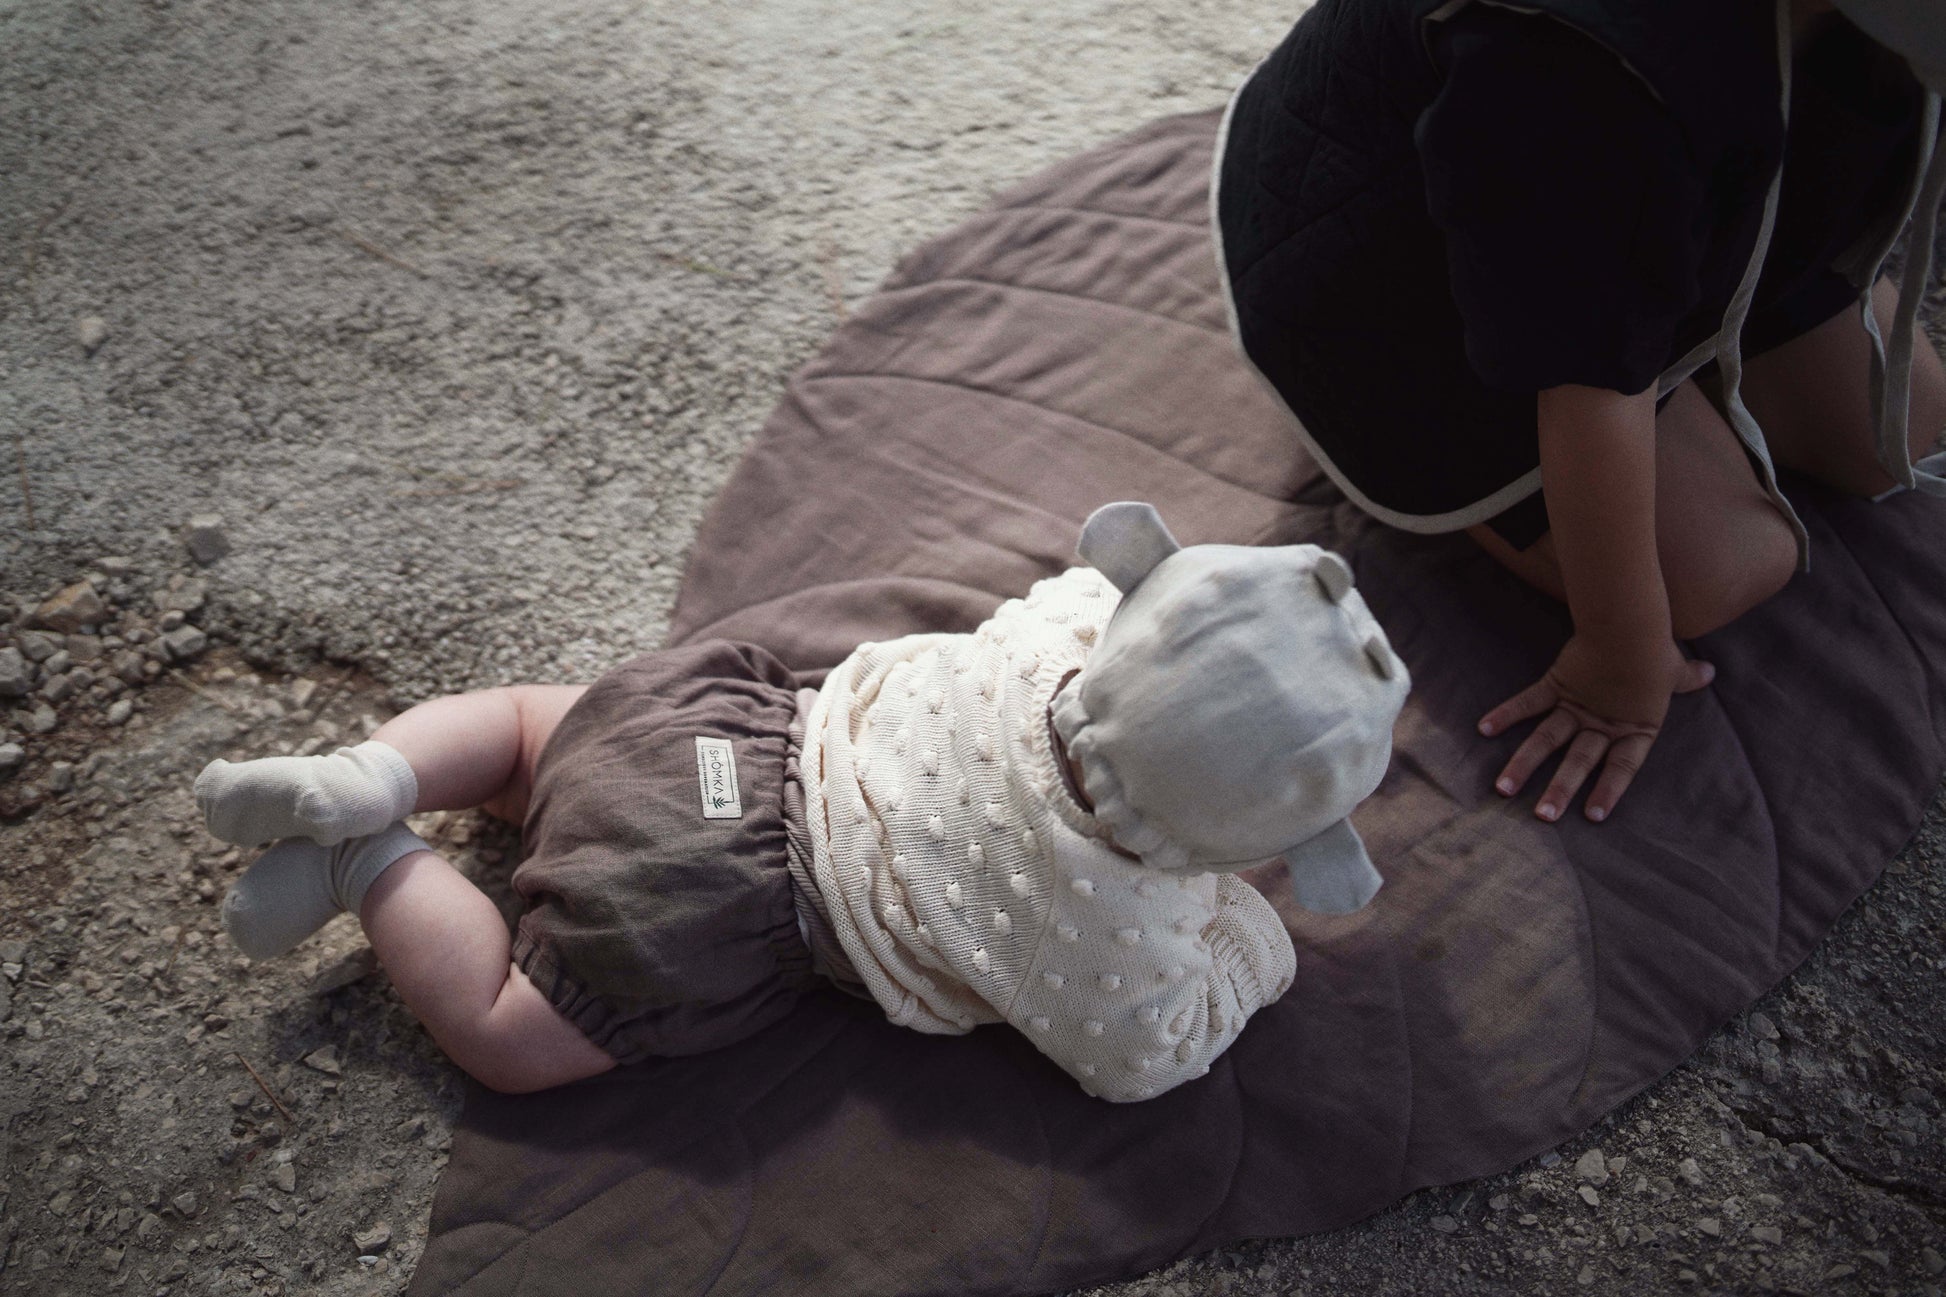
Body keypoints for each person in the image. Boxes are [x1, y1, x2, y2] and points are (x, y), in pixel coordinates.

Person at [191, 503, 1410, 1100]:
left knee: (521, 727)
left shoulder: (1059, 629)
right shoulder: (1107, 924)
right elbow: (1145, 1055)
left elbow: (1113, 603)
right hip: (710, 901)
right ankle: (368, 866)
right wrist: (1244, 937)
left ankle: (373, 776)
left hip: (714, 729)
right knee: (508, 1031)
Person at [1211, 0, 1946, 825]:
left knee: (1895, 428)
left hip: (1677, 167)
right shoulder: (1589, 66)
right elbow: (1586, 381)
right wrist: (1620, 656)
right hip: (1398, 261)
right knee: (1728, 567)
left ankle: (1677, 286)